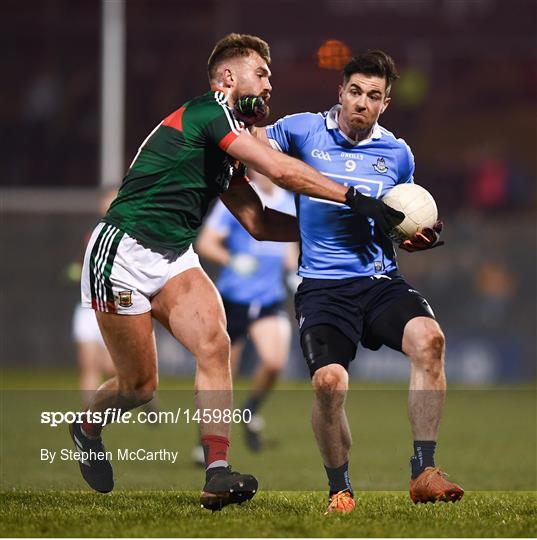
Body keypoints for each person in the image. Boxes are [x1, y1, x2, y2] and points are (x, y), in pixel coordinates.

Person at [70, 34, 405, 511]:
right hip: (122, 251)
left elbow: (260, 222)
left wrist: (340, 233)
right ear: (229, 79)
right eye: (262, 74)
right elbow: (280, 170)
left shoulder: (227, 143)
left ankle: (216, 474)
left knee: (215, 344)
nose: (270, 84)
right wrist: (355, 200)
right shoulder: (212, 114)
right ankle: (85, 428)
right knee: (140, 388)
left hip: (173, 256)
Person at [252, 50, 463, 512]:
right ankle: (340, 489)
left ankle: (424, 470)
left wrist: (413, 235)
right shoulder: (301, 130)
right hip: (323, 288)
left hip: (378, 281)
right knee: (329, 384)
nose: (361, 103)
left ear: (385, 103)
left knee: (430, 340)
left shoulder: (398, 154)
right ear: (340, 92)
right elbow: (250, 146)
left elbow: (401, 215)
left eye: (373, 95)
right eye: (354, 92)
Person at [192, 170, 297, 462]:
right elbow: (206, 242)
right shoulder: (237, 199)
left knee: (275, 362)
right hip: (233, 299)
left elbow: (290, 248)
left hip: (269, 299)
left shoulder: (289, 202)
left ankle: (249, 411)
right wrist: (232, 260)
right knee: (222, 373)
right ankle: (205, 443)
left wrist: (295, 274)